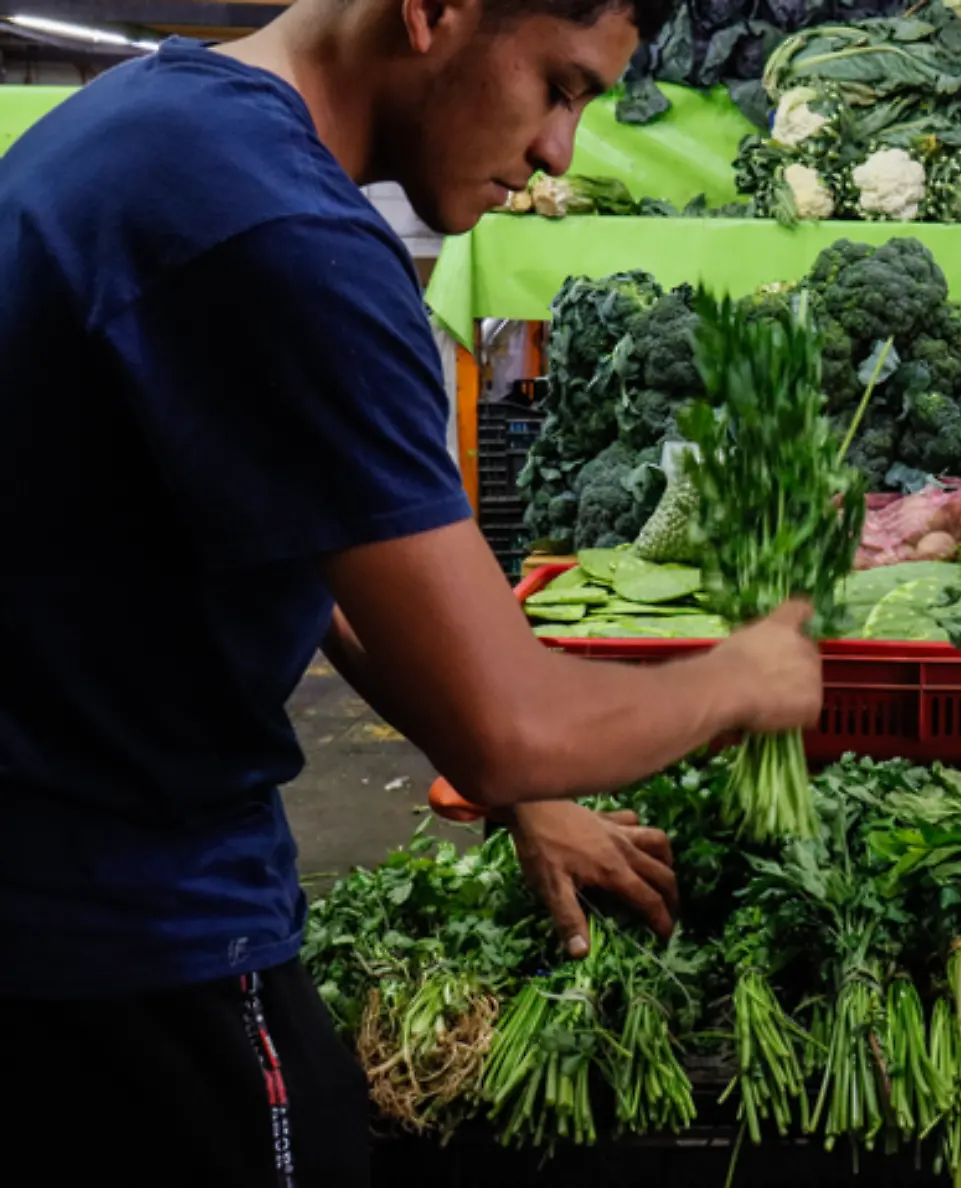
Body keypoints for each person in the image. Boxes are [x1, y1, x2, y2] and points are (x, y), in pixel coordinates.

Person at [0, 0, 819, 1180]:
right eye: (561, 86)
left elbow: (304, 546)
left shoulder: (158, 128)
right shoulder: (280, 231)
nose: (559, 153)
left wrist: (523, 793)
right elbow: (513, 727)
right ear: (437, 12)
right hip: (114, 922)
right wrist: (745, 676)